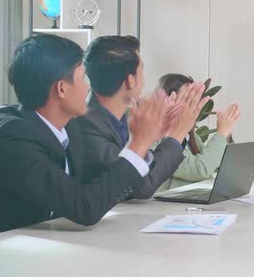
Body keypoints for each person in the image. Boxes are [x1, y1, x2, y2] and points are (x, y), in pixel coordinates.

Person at [0, 34, 205, 233]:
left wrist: (155, 134)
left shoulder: (70, 128)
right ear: (61, 89)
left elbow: (119, 181)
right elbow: (85, 207)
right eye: (83, 79)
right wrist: (142, 142)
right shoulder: (13, 139)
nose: (89, 88)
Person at [76, 36, 209, 198]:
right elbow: (140, 185)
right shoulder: (88, 128)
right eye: (142, 70)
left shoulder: (118, 121)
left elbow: (145, 168)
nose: (144, 81)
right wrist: (176, 135)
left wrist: (163, 133)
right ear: (131, 81)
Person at [155, 73, 241, 191]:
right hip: (164, 207)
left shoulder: (190, 135)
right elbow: (200, 169)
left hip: (186, 201)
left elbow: (220, 166)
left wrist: (226, 136)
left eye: (195, 99)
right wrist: (221, 134)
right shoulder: (157, 138)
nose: (194, 105)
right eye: (188, 99)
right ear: (169, 100)